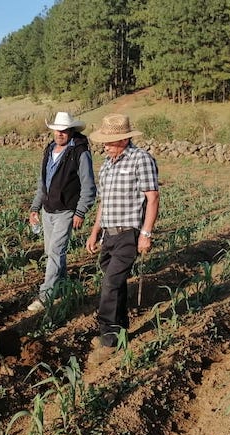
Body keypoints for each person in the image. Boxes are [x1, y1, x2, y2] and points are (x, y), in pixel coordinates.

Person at [85, 114, 159, 362]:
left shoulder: (141, 159)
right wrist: (95, 231)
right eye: (104, 141)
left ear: (125, 139)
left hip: (129, 234)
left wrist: (146, 234)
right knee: (114, 283)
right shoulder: (107, 164)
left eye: (110, 141)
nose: (104, 145)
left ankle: (108, 339)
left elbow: (152, 198)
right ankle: (120, 328)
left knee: (110, 283)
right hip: (109, 235)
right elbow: (103, 203)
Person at [27, 112, 96, 312]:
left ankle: (45, 296)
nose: (60, 133)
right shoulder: (49, 149)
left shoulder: (80, 152)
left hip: (67, 210)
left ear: (71, 131)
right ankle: (64, 286)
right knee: (52, 252)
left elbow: (89, 186)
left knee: (55, 252)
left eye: (64, 130)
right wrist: (34, 207)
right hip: (48, 209)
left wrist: (81, 212)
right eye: (57, 130)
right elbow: (43, 182)